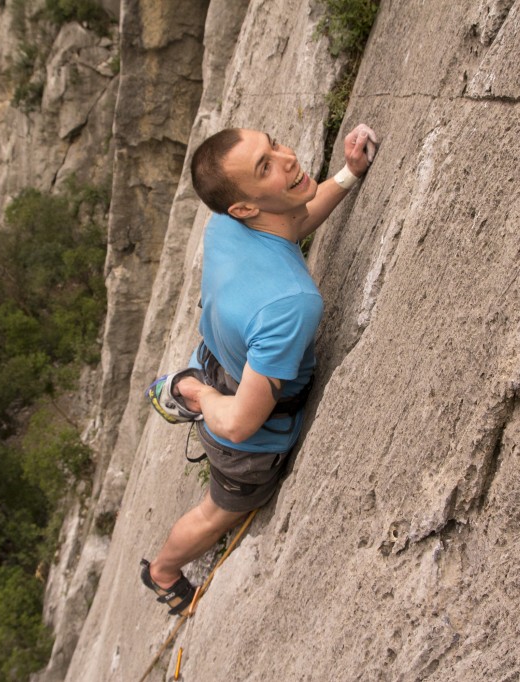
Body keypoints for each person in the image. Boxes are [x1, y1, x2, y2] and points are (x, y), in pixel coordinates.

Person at [141, 123, 378, 615]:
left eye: (273, 144)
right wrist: (196, 394)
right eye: (265, 166)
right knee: (218, 513)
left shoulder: (226, 223)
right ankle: (162, 573)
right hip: (244, 435)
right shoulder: (291, 304)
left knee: (215, 392)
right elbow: (239, 423)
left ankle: (186, 387)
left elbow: (289, 223)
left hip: (216, 358)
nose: (287, 158)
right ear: (245, 206)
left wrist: (349, 175)